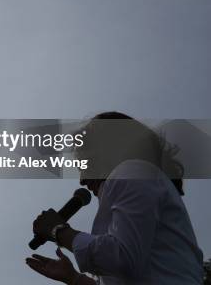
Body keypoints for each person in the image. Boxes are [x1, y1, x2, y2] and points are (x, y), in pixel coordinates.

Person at [26, 112, 204, 285]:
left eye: (85, 163)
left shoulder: (132, 172)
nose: (82, 180)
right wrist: (74, 278)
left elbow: (124, 258)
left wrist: (59, 231)